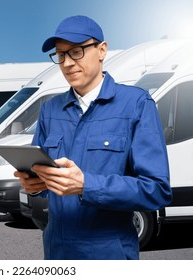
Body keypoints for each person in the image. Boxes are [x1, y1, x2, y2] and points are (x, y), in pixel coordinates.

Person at [14, 15, 172, 260]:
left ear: (102, 50)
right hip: (58, 253)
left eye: (76, 51)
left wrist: (86, 185)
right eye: (60, 54)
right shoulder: (50, 110)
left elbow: (157, 190)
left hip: (110, 255)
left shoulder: (136, 105)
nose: (67, 63)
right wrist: (35, 186)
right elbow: (46, 178)